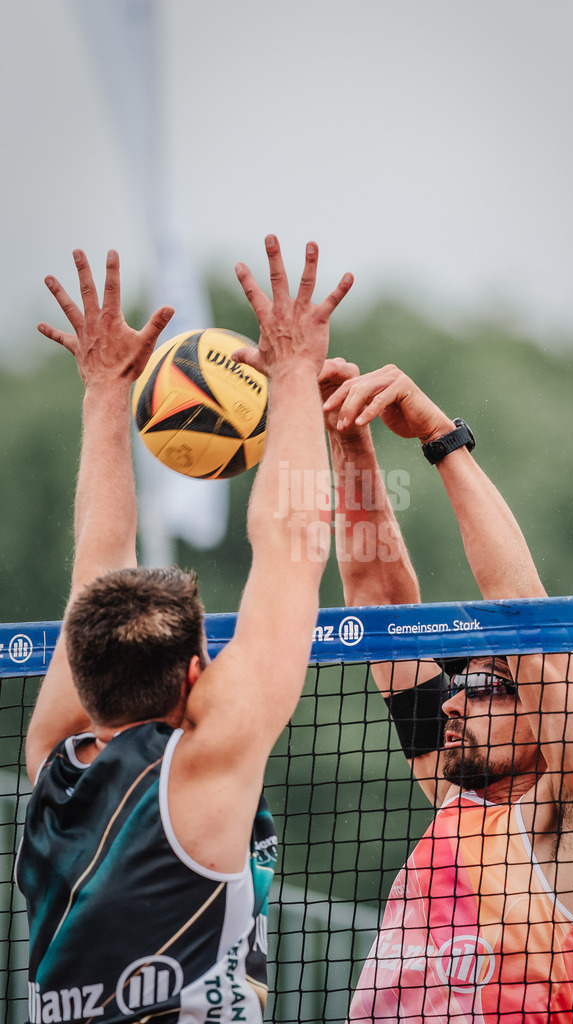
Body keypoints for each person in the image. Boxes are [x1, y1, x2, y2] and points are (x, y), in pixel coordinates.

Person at [16, 239, 353, 1024]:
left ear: (79, 663)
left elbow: (95, 571)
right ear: (197, 676)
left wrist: (106, 394)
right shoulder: (203, 769)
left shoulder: (51, 766)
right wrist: (295, 372)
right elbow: (292, 545)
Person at [321, 361, 573, 1024]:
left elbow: (525, 621)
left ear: (546, 709)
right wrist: (349, 437)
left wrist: (440, 438)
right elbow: (377, 604)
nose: (450, 699)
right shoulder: (456, 797)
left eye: (483, 686)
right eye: (455, 684)